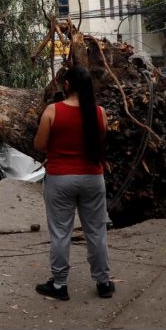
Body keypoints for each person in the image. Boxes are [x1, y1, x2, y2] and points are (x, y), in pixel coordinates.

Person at [33, 66, 113, 301]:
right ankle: (104, 283)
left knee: (60, 233)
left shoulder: (52, 111)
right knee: (97, 232)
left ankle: (59, 285)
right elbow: (101, 140)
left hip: (60, 179)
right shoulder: (99, 113)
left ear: (66, 85)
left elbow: (39, 145)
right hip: (93, 178)